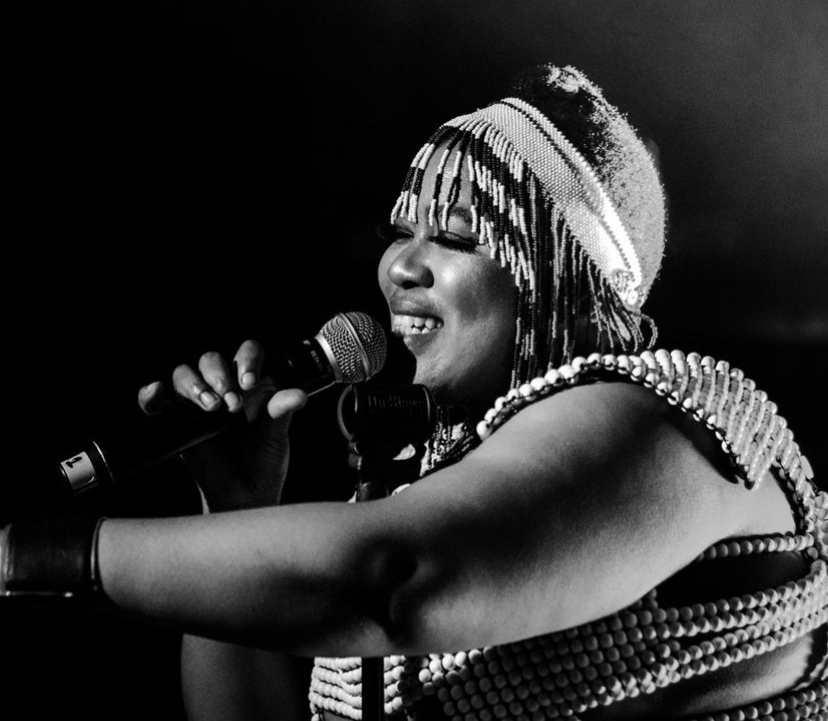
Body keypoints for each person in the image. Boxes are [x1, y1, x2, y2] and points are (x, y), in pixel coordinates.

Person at [3, 63, 828, 721]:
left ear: (573, 277)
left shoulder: (679, 415)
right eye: (401, 231)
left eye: (458, 237)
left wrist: (26, 552)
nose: (400, 268)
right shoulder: (410, 485)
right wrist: (236, 506)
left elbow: (397, 577)